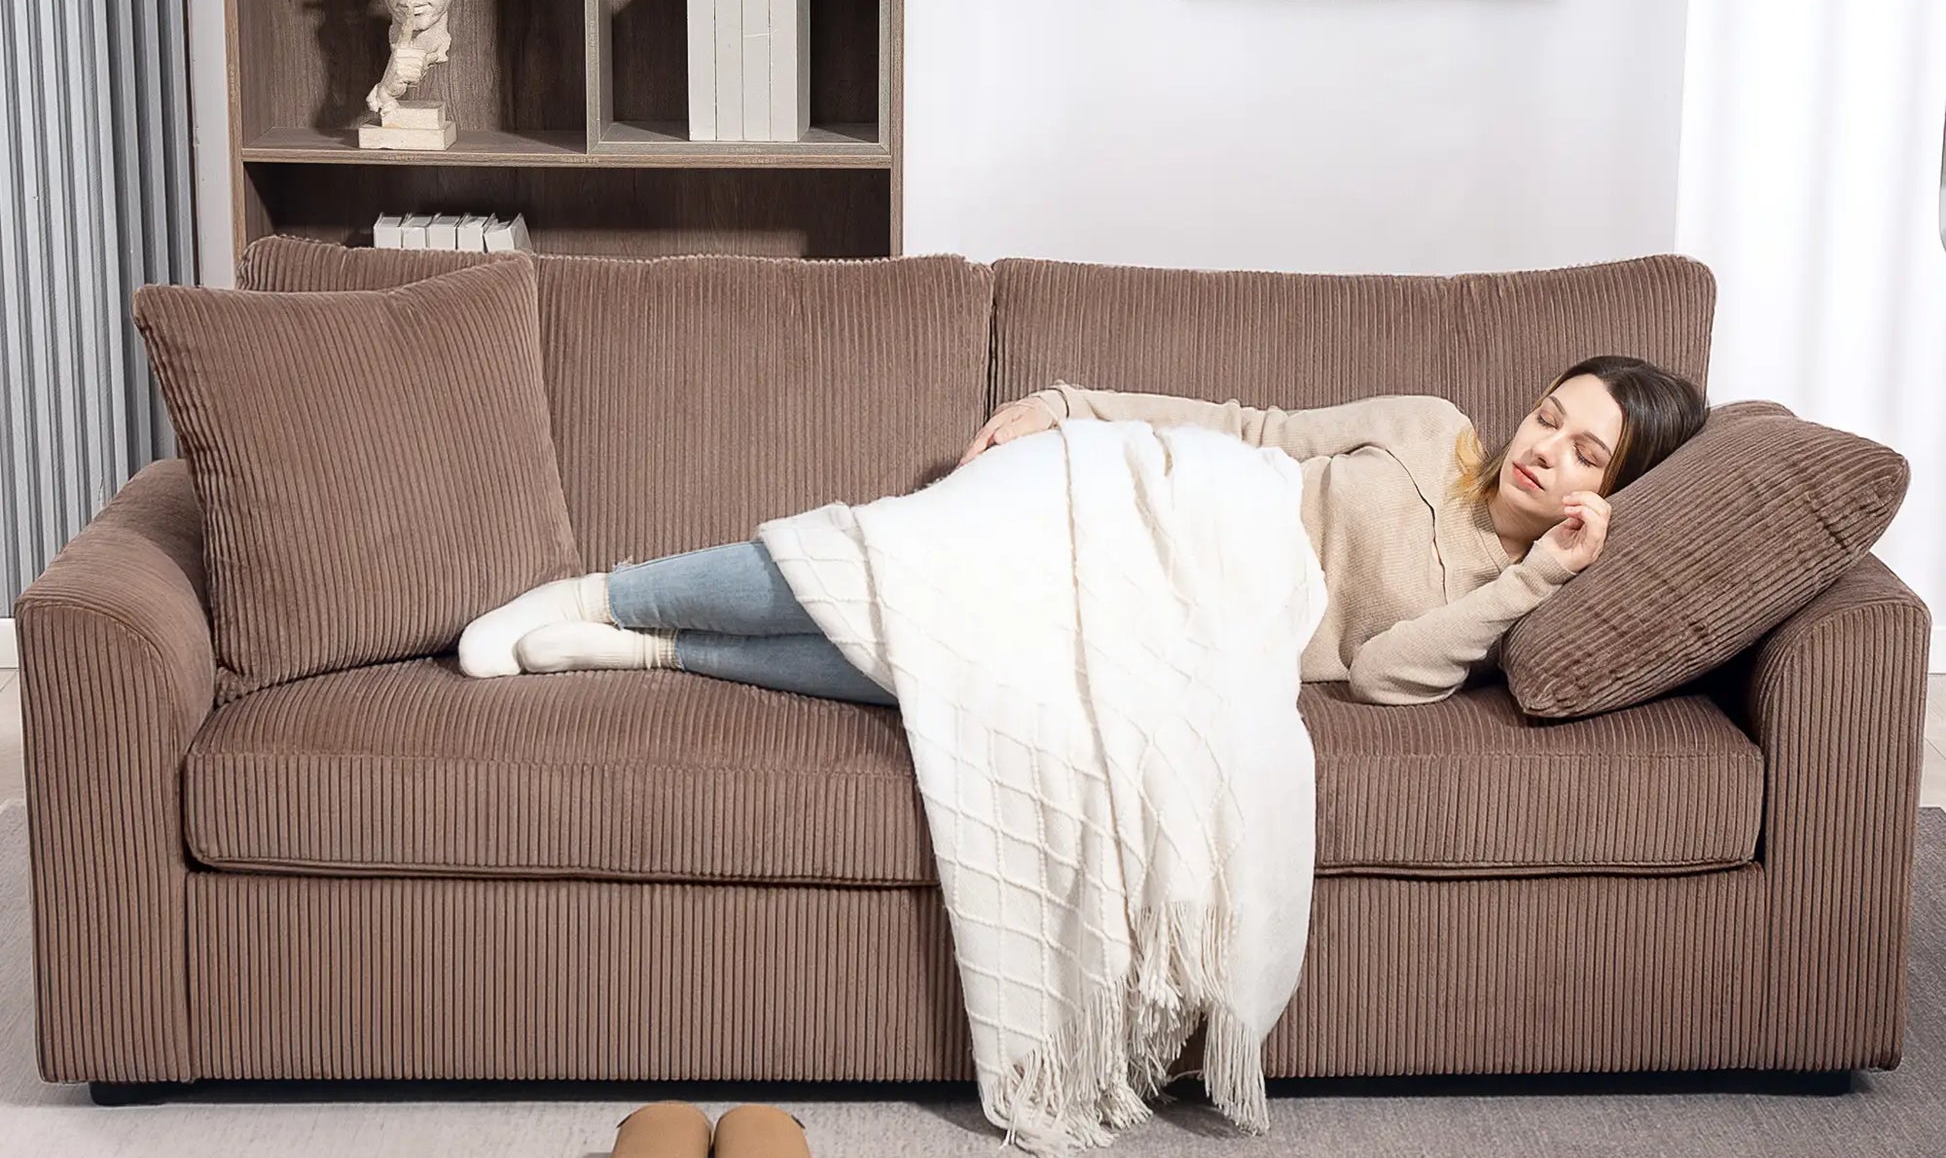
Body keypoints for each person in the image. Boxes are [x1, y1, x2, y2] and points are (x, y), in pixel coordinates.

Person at [457, 355, 1707, 707]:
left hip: (1196, 622)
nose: (1541, 445)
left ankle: (663, 652)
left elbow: (1380, 673)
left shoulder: (1506, 597)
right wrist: (1066, 405)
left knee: (948, 663)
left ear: (1610, 493)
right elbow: (1253, 424)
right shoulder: (1431, 426)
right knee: (888, 559)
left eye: (1582, 451)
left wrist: (1534, 578)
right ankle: (599, 594)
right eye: (1550, 413)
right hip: (1157, 496)